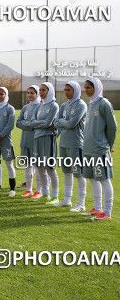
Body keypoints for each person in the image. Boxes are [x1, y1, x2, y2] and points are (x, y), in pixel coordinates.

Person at [82, 77, 116, 220]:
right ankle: (97, 208)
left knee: (104, 179)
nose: (86, 90)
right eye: (85, 87)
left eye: (89, 87)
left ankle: (107, 212)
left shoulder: (104, 103)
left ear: (96, 88)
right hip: (88, 149)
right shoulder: (90, 104)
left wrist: (108, 144)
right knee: (92, 178)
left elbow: (112, 127)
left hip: (100, 149)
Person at [53, 81, 87, 210]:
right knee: (67, 172)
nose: (66, 92)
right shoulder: (63, 105)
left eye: (69, 90)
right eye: (65, 90)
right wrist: (62, 122)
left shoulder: (81, 105)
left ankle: (81, 204)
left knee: (79, 173)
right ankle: (67, 200)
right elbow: (56, 123)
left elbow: (71, 123)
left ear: (76, 91)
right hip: (63, 143)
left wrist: (62, 121)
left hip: (76, 143)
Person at [25, 82, 59, 203]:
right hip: (37, 138)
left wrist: (38, 124)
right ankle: (45, 194)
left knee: (50, 168)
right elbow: (32, 121)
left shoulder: (54, 106)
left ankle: (55, 196)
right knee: (39, 167)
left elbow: (47, 123)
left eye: (43, 90)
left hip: (48, 139)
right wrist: (41, 124)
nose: (41, 92)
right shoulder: (40, 105)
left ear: (49, 91)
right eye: (40, 90)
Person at [17, 85, 42, 198]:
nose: (30, 95)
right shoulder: (25, 107)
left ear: (37, 94)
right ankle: (28, 190)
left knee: (38, 166)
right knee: (27, 166)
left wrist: (27, 124)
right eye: (28, 93)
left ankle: (39, 191)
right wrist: (30, 125)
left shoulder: (41, 106)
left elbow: (37, 124)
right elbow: (18, 123)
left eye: (32, 93)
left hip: (36, 141)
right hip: (25, 140)